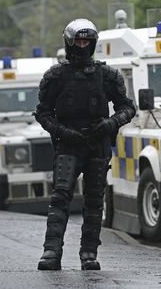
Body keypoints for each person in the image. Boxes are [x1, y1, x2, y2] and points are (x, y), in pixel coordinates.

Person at [34, 18, 136, 271]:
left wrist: (110, 124)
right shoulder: (55, 76)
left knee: (94, 201)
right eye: (78, 41)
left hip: (97, 144)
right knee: (60, 198)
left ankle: (89, 253)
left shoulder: (108, 75)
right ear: (69, 42)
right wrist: (62, 132)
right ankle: (51, 252)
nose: (82, 45)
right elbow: (43, 113)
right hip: (68, 144)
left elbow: (127, 107)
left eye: (86, 41)